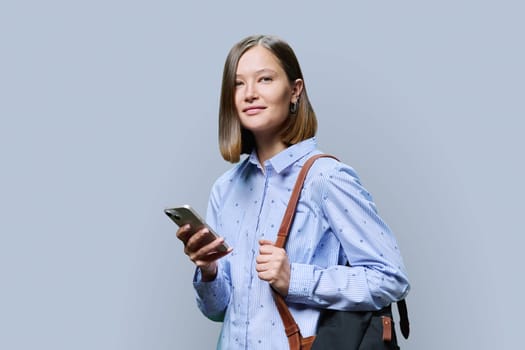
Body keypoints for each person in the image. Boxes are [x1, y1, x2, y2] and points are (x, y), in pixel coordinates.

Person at [176, 34, 410, 349]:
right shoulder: (225, 189)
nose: (250, 94)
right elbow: (218, 311)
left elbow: (391, 278)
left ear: (295, 91)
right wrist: (208, 270)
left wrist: (294, 279)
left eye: (265, 79)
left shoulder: (326, 179)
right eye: (238, 84)